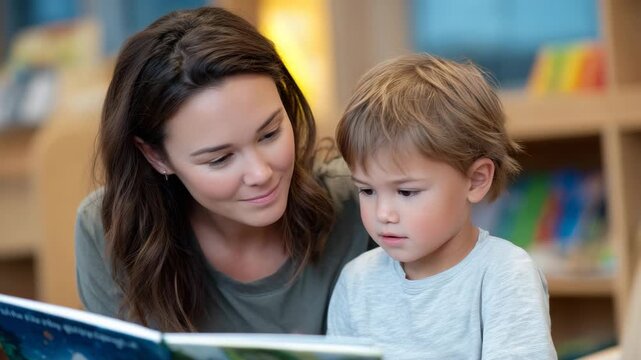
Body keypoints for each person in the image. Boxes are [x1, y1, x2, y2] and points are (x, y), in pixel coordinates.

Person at [75, 6, 371, 333]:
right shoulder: (109, 230)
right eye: (220, 159)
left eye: (270, 134)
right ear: (156, 156)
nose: (260, 174)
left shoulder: (368, 199)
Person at [327, 53, 557, 359]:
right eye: (367, 190)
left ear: (475, 180)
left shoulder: (504, 275)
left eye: (407, 192)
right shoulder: (356, 282)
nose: (383, 213)